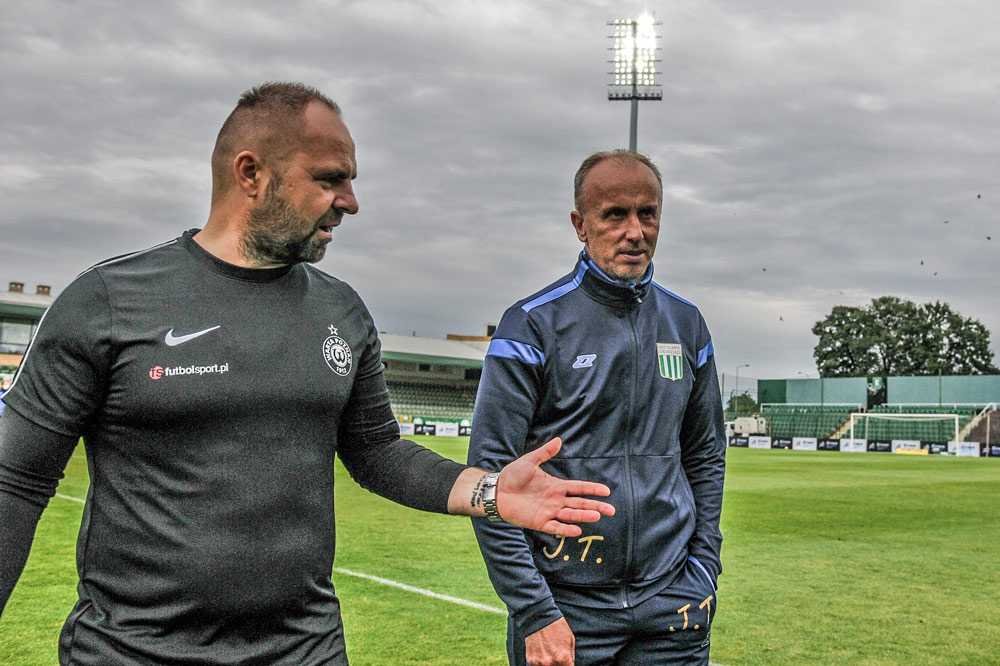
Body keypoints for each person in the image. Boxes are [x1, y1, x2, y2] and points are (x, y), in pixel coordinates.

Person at [0, 82, 615, 666]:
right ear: (251, 174)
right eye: (330, 179)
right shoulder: (109, 300)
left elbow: (376, 451)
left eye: (350, 180)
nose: (350, 200)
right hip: (132, 652)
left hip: (306, 648)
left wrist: (488, 492)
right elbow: (15, 481)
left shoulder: (340, 311)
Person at [468, 150, 726, 666]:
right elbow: (491, 479)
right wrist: (535, 611)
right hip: (567, 608)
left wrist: (703, 567)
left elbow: (705, 455)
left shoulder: (687, 323)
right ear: (580, 225)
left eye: (648, 213)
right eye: (615, 215)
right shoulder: (532, 324)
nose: (635, 231)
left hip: (672, 600)